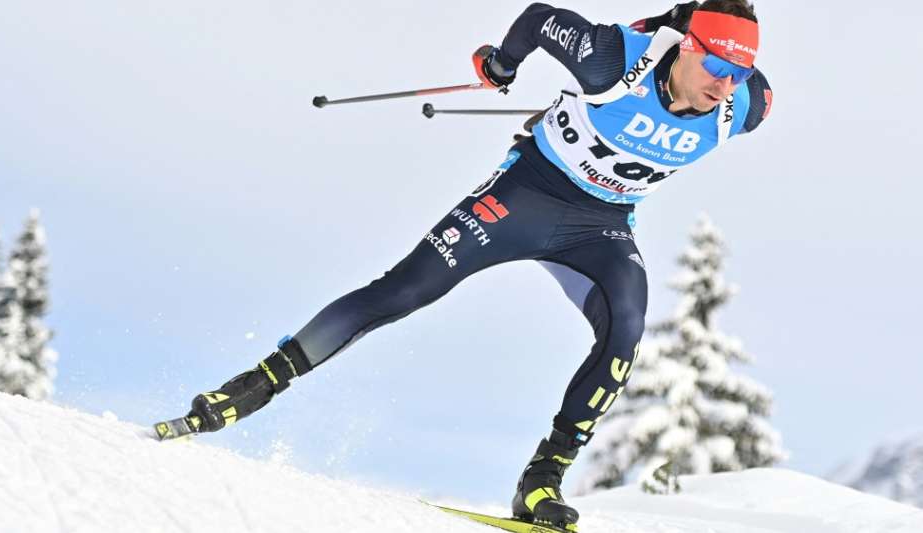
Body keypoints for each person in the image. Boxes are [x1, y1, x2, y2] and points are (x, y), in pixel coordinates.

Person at [177, 1, 772, 530]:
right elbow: (541, 19)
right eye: (716, 67)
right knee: (406, 289)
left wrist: (732, 74)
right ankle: (253, 387)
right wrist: (502, 63)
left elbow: (757, 91)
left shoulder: (746, 105)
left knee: (626, 330)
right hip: (525, 197)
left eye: (738, 74)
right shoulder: (615, 61)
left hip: (602, 228)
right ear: (687, 47)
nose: (725, 87)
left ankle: (542, 479)